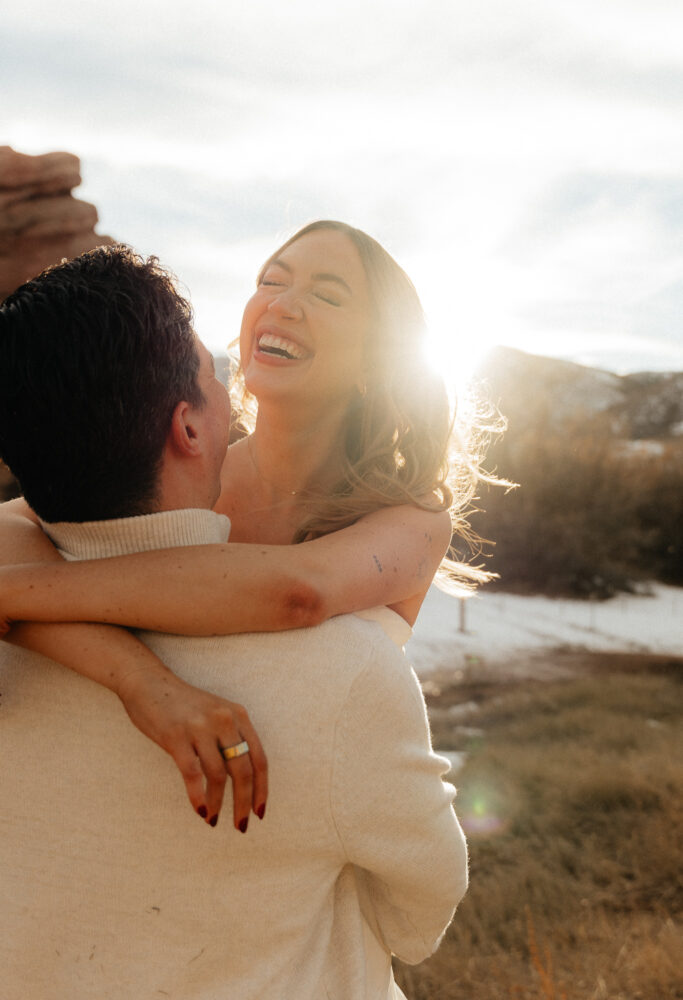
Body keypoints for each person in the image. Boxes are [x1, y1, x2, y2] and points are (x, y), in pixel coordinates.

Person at [0, 243, 468, 1000]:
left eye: (327, 292)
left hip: (306, 830)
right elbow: (26, 538)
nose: (281, 303)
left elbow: (297, 594)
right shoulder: (187, 468)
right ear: (189, 425)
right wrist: (140, 680)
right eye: (270, 280)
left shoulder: (406, 522)